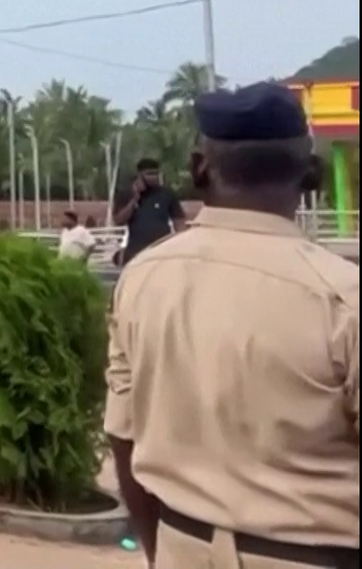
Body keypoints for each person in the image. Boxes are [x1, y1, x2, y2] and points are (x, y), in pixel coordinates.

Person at [105, 83, 359, 569]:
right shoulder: (343, 297)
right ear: (311, 174)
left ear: (199, 169)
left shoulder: (142, 281)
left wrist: (160, 553)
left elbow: (123, 435)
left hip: (181, 546)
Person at [114, 157, 186, 267]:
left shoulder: (167, 194)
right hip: (136, 250)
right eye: (149, 174)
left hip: (161, 250)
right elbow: (119, 220)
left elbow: (179, 223)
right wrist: (135, 199)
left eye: (156, 173)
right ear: (139, 175)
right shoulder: (126, 194)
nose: (154, 177)